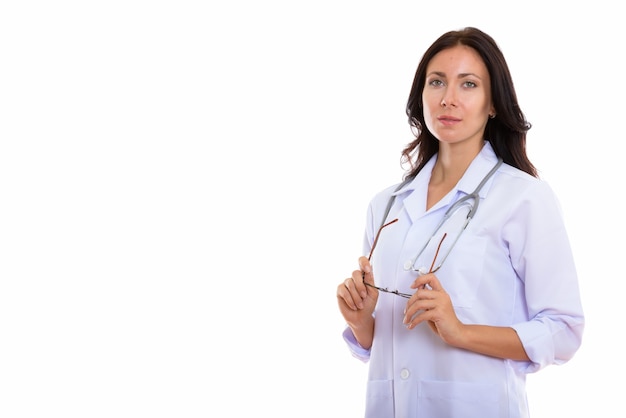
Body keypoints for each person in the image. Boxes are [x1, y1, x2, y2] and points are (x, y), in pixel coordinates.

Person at [336, 27, 584, 418]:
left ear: (493, 104)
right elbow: (389, 343)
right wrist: (362, 320)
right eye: (437, 82)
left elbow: (564, 330)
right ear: (421, 96)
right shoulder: (385, 206)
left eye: (468, 84)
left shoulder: (523, 198)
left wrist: (461, 331)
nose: (448, 98)